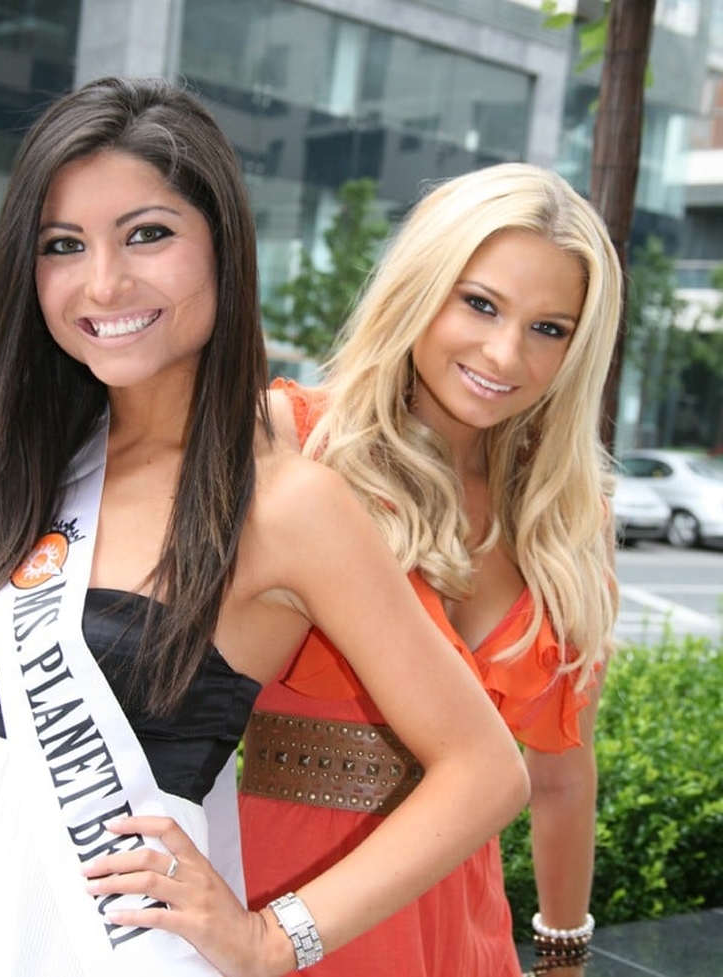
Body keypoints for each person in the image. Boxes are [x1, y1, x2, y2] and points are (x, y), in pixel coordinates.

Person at [0, 77, 529, 976]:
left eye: (148, 234)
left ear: (222, 248)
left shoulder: (288, 503)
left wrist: (275, 938)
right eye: (63, 244)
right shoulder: (48, 459)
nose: (103, 280)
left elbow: (488, 770)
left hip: (107, 948)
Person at [239, 163, 622, 976]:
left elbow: (558, 781)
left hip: (462, 930)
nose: (504, 351)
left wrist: (562, 954)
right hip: (288, 903)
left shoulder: (563, 520)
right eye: (479, 303)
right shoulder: (293, 441)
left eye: (549, 328)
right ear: (421, 286)